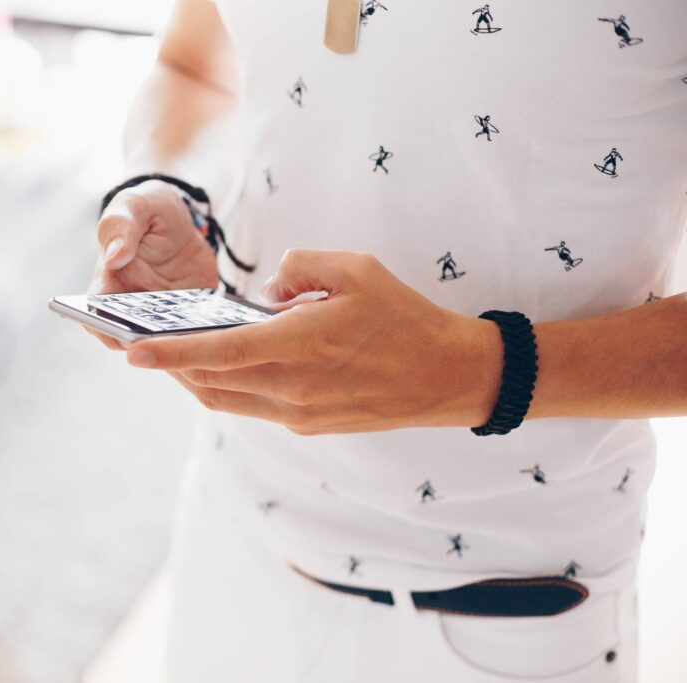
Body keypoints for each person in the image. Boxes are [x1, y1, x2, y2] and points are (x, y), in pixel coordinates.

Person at [85, 1, 687, 680]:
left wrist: (480, 370)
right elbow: (194, 67)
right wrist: (172, 185)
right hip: (233, 527)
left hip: (508, 600)